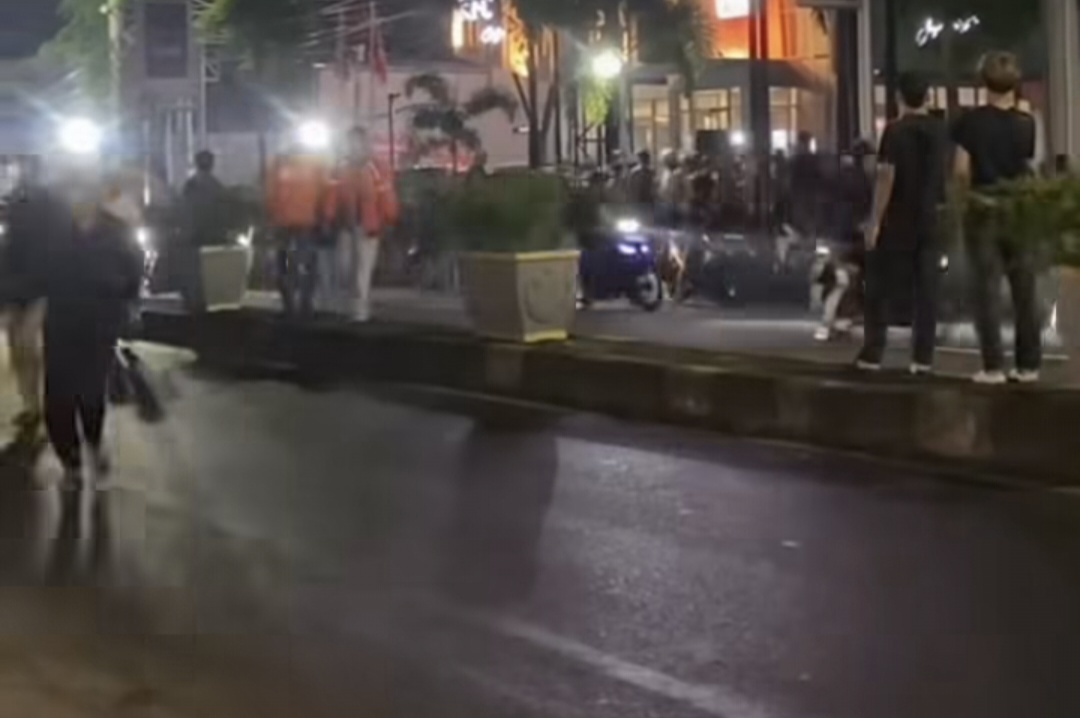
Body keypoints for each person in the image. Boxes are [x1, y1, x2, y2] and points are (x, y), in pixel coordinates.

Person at [43, 181, 143, 489]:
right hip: (60, 321)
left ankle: (94, 445)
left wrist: (125, 301)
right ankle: (71, 461)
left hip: (99, 323)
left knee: (90, 392)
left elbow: (134, 271)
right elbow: (29, 265)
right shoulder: (52, 228)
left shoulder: (116, 231)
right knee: (59, 397)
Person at [951, 52, 1041, 384]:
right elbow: (1027, 165)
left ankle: (993, 366)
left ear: (983, 82)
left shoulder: (970, 122)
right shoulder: (1027, 123)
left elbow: (961, 170)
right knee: (1024, 290)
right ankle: (1028, 365)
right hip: (1019, 210)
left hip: (983, 207)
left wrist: (962, 201)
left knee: (986, 291)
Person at [856, 71, 947, 373]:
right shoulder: (940, 130)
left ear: (898, 97)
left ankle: (873, 352)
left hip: (898, 218)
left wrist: (875, 221)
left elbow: (886, 177)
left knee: (880, 285)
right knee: (927, 289)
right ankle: (922, 358)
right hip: (931, 216)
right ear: (927, 97)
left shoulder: (895, 132)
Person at [2, 156, 63, 439]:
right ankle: (31, 405)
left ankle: (43, 403)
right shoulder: (14, 200)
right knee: (18, 347)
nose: (19, 173)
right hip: (14, 286)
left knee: (28, 344)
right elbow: (8, 244)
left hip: (40, 284)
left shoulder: (51, 201)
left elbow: (56, 243)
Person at [324, 127, 400, 322]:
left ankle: (359, 313)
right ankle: (352, 306)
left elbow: (386, 196)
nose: (354, 147)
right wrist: (329, 217)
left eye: (358, 142)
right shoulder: (340, 167)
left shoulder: (377, 168)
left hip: (369, 227)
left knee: (362, 272)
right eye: (351, 142)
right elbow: (332, 195)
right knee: (345, 267)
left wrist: (389, 220)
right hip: (346, 226)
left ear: (365, 144)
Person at [815, 142, 874, 341]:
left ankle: (837, 321)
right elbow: (865, 210)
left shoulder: (837, 177)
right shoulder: (861, 180)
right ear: (863, 159)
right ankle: (836, 321)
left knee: (841, 281)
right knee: (848, 280)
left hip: (833, 237)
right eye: (870, 158)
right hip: (849, 238)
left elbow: (824, 205)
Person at [266, 148, 332, 317]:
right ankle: (300, 304)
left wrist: (272, 219)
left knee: (292, 265)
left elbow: (270, 194)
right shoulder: (313, 164)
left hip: (294, 224)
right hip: (297, 224)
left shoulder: (280, 164)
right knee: (300, 265)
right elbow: (325, 193)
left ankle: (295, 304)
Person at [180, 150, 230, 312]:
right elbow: (223, 213)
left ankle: (193, 300)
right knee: (211, 269)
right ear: (212, 165)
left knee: (193, 269)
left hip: (194, 235)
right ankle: (210, 298)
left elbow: (185, 210)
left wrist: (184, 231)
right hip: (213, 234)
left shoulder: (190, 185)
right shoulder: (217, 186)